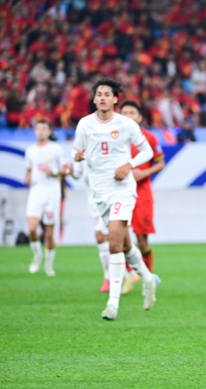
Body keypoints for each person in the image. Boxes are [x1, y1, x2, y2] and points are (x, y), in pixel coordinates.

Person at [72, 77, 158, 321]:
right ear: (94, 98)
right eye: (99, 93)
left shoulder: (126, 124)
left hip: (122, 190)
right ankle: (148, 279)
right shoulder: (85, 124)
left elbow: (148, 152)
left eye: (107, 94)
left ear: (115, 99)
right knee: (126, 245)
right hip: (99, 193)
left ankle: (113, 303)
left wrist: (128, 165)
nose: (102, 97)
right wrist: (77, 156)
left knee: (113, 243)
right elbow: (75, 150)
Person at [119, 100, 166, 295]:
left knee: (142, 241)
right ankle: (130, 274)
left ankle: (149, 277)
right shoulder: (115, 138)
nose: (128, 115)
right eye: (125, 112)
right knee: (119, 238)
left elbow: (160, 163)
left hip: (142, 194)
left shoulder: (149, 138)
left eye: (132, 112)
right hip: (120, 193)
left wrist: (144, 173)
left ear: (139, 117)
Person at [25, 120, 69, 276]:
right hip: (36, 191)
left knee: (49, 234)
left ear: (49, 132)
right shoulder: (30, 150)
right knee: (31, 229)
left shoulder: (56, 149)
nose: (41, 132)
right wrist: (28, 177)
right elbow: (29, 170)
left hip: (52, 192)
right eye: (38, 129)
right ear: (35, 132)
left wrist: (54, 170)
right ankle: (37, 255)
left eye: (44, 129)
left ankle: (49, 264)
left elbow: (67, 169)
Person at [71, 160, 111, 292]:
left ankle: (109, 277)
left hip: (107, 200)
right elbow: (77, 174)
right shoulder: (82, 147)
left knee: (100, 237)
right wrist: (69, 171)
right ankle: (130, 272)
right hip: (92, 203)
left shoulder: (105, 145)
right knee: (113, 240)